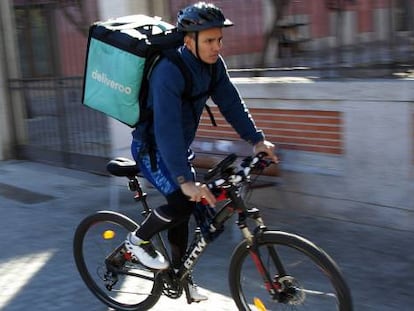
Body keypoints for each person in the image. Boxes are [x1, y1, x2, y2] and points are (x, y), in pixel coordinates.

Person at [125, 1, 278, 302]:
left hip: (177, 149)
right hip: (152, 149)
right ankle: (136, 241)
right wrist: (185, 180)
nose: (217, 47)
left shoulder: (213, 67)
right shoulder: (168, 72)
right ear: (188, 40)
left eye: (219, 39)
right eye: (209, 40)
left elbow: (231, 104)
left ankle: (177, 274)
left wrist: (257, 140)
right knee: (182, 204)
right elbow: (166, 128)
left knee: (200, 216)